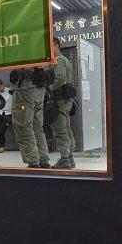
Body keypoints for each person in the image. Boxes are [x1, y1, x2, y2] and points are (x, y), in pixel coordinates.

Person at [10, 66, 51, 168]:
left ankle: (33, 161)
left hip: (25, 87)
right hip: (38, 86)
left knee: (23, 126)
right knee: (37, 126)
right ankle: (43, 159)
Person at [49, 38, 77, 169]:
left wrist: (48, 89)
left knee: (60, 130)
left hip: (60, 100)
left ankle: (65, 159)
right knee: (66, 130)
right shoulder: (64, 60)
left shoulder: (59, 60)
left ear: (55, 46)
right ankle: (70, 158)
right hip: (65, 100)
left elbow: (59, 78)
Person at [0, 79, 12, 153]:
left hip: (8, 114)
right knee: (1, 130)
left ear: (3, 85)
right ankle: (1, 146)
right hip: (0, 114)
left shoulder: (10, 91)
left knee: (2, 130)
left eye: (0, 87)